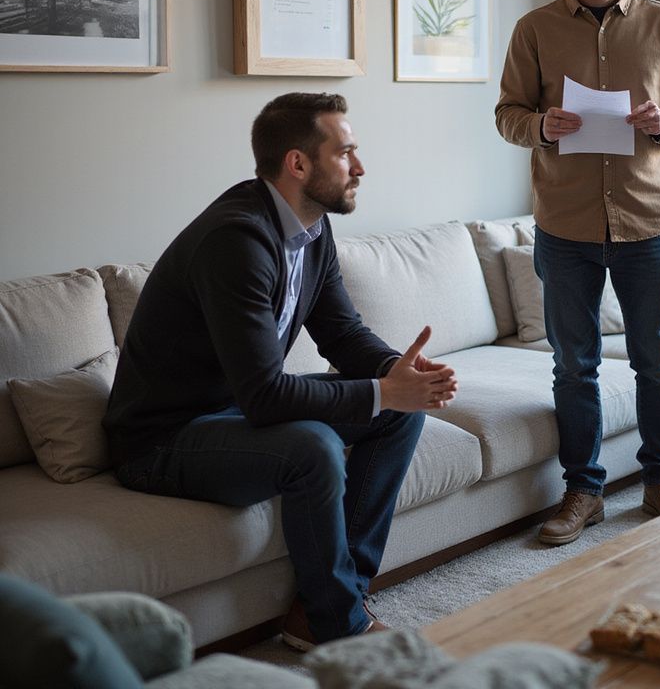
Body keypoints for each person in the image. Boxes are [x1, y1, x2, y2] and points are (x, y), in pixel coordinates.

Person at [103, 92, 457, 650]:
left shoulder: (312, 228)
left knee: (398, 413)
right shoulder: (236, 240)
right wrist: (383, 391)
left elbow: (341, 332)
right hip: (162, 438)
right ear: (298, 163)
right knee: (313, 446)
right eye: (345, 153)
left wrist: (399, 374)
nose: (360, 167)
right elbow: (266, 396)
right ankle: (339, 626)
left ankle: (333, 601)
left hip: (232, 409)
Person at [495, 0, 660, 545]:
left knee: (657, 362)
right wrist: (541, 126)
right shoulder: (534, 30)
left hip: (647, 222)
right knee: (573, 365)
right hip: (565, 227)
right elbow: (507, 115)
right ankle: (583, 492)